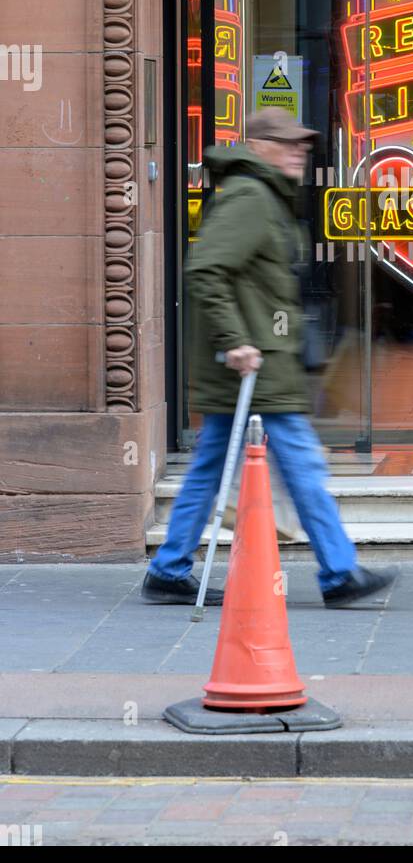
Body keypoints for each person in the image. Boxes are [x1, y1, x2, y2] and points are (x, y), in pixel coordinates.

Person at [142, 107, 396, 609]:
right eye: (287, 142)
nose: (299, 149)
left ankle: (168, 569)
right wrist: (236, 340)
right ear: (259, 146)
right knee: (302, 463)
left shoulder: (261, 196)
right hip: (253, 368)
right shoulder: (250, 197)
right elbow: (205, 270)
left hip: (257, 365)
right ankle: (339, 571)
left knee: (210, 467)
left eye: (302, 142)